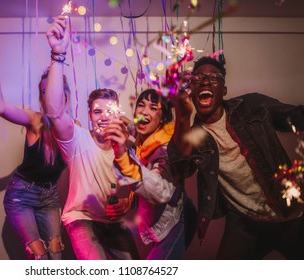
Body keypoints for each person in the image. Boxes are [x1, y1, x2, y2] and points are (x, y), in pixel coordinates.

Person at [0, 15, 71, 260]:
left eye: (54, 89)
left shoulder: (75, 129)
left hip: (50, 196)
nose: (49, 95)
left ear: (66, 95)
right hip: (21, 195)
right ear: (42, 98)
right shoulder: (34, 120)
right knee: (39, 256)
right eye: (44, 92)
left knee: (57, 255)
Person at [169, 56, 304, 259]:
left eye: (214, 77)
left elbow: (296, 116)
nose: (206, 81)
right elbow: (179, 171)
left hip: (292, 216)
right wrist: (181, 116)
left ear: (223, 90)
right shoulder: (192, 136)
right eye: (198, 78)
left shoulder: (253, 105)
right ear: (191, 89)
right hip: (245, 223)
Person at [43, 15, 139, 260]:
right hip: (82, 220)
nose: (104, 118)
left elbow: (138, 185)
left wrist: (128, 201)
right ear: (89, 116)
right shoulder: (78, 140)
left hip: (114, 222)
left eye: (109, 111)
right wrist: (58, 55)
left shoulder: (128, 145)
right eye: (97, 112)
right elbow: (54, 111)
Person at [103, 89, 196, 259]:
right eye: (141, 105)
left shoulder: (166, 150)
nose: (145, 111)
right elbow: (135, 127)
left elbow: (161, 191)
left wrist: (123, 157)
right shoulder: (145, 136)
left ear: (163, 119)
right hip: (161, 222)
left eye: (154, 107)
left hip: (176, 222)